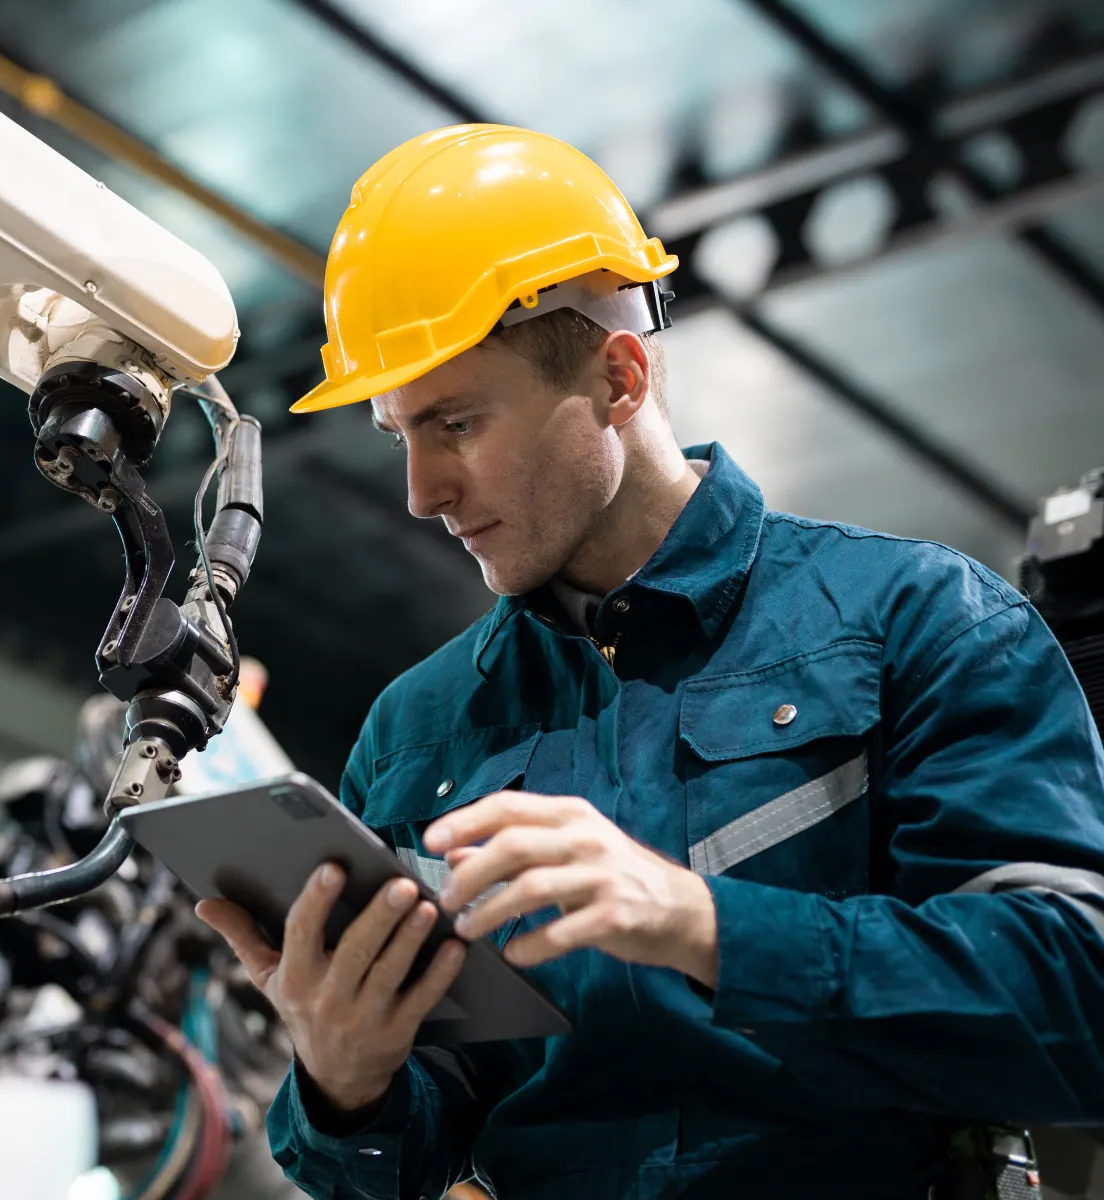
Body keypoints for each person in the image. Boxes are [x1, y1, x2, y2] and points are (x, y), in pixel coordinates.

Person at [196, 124, 1104, 1199]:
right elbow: (398, 1153)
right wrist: (345, 1081)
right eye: (402, 434)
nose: (421, 491)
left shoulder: (918, 619)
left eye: (458, 421)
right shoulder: (417, 733)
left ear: (619, 378)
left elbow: (1073, 1002)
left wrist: (703, 925)